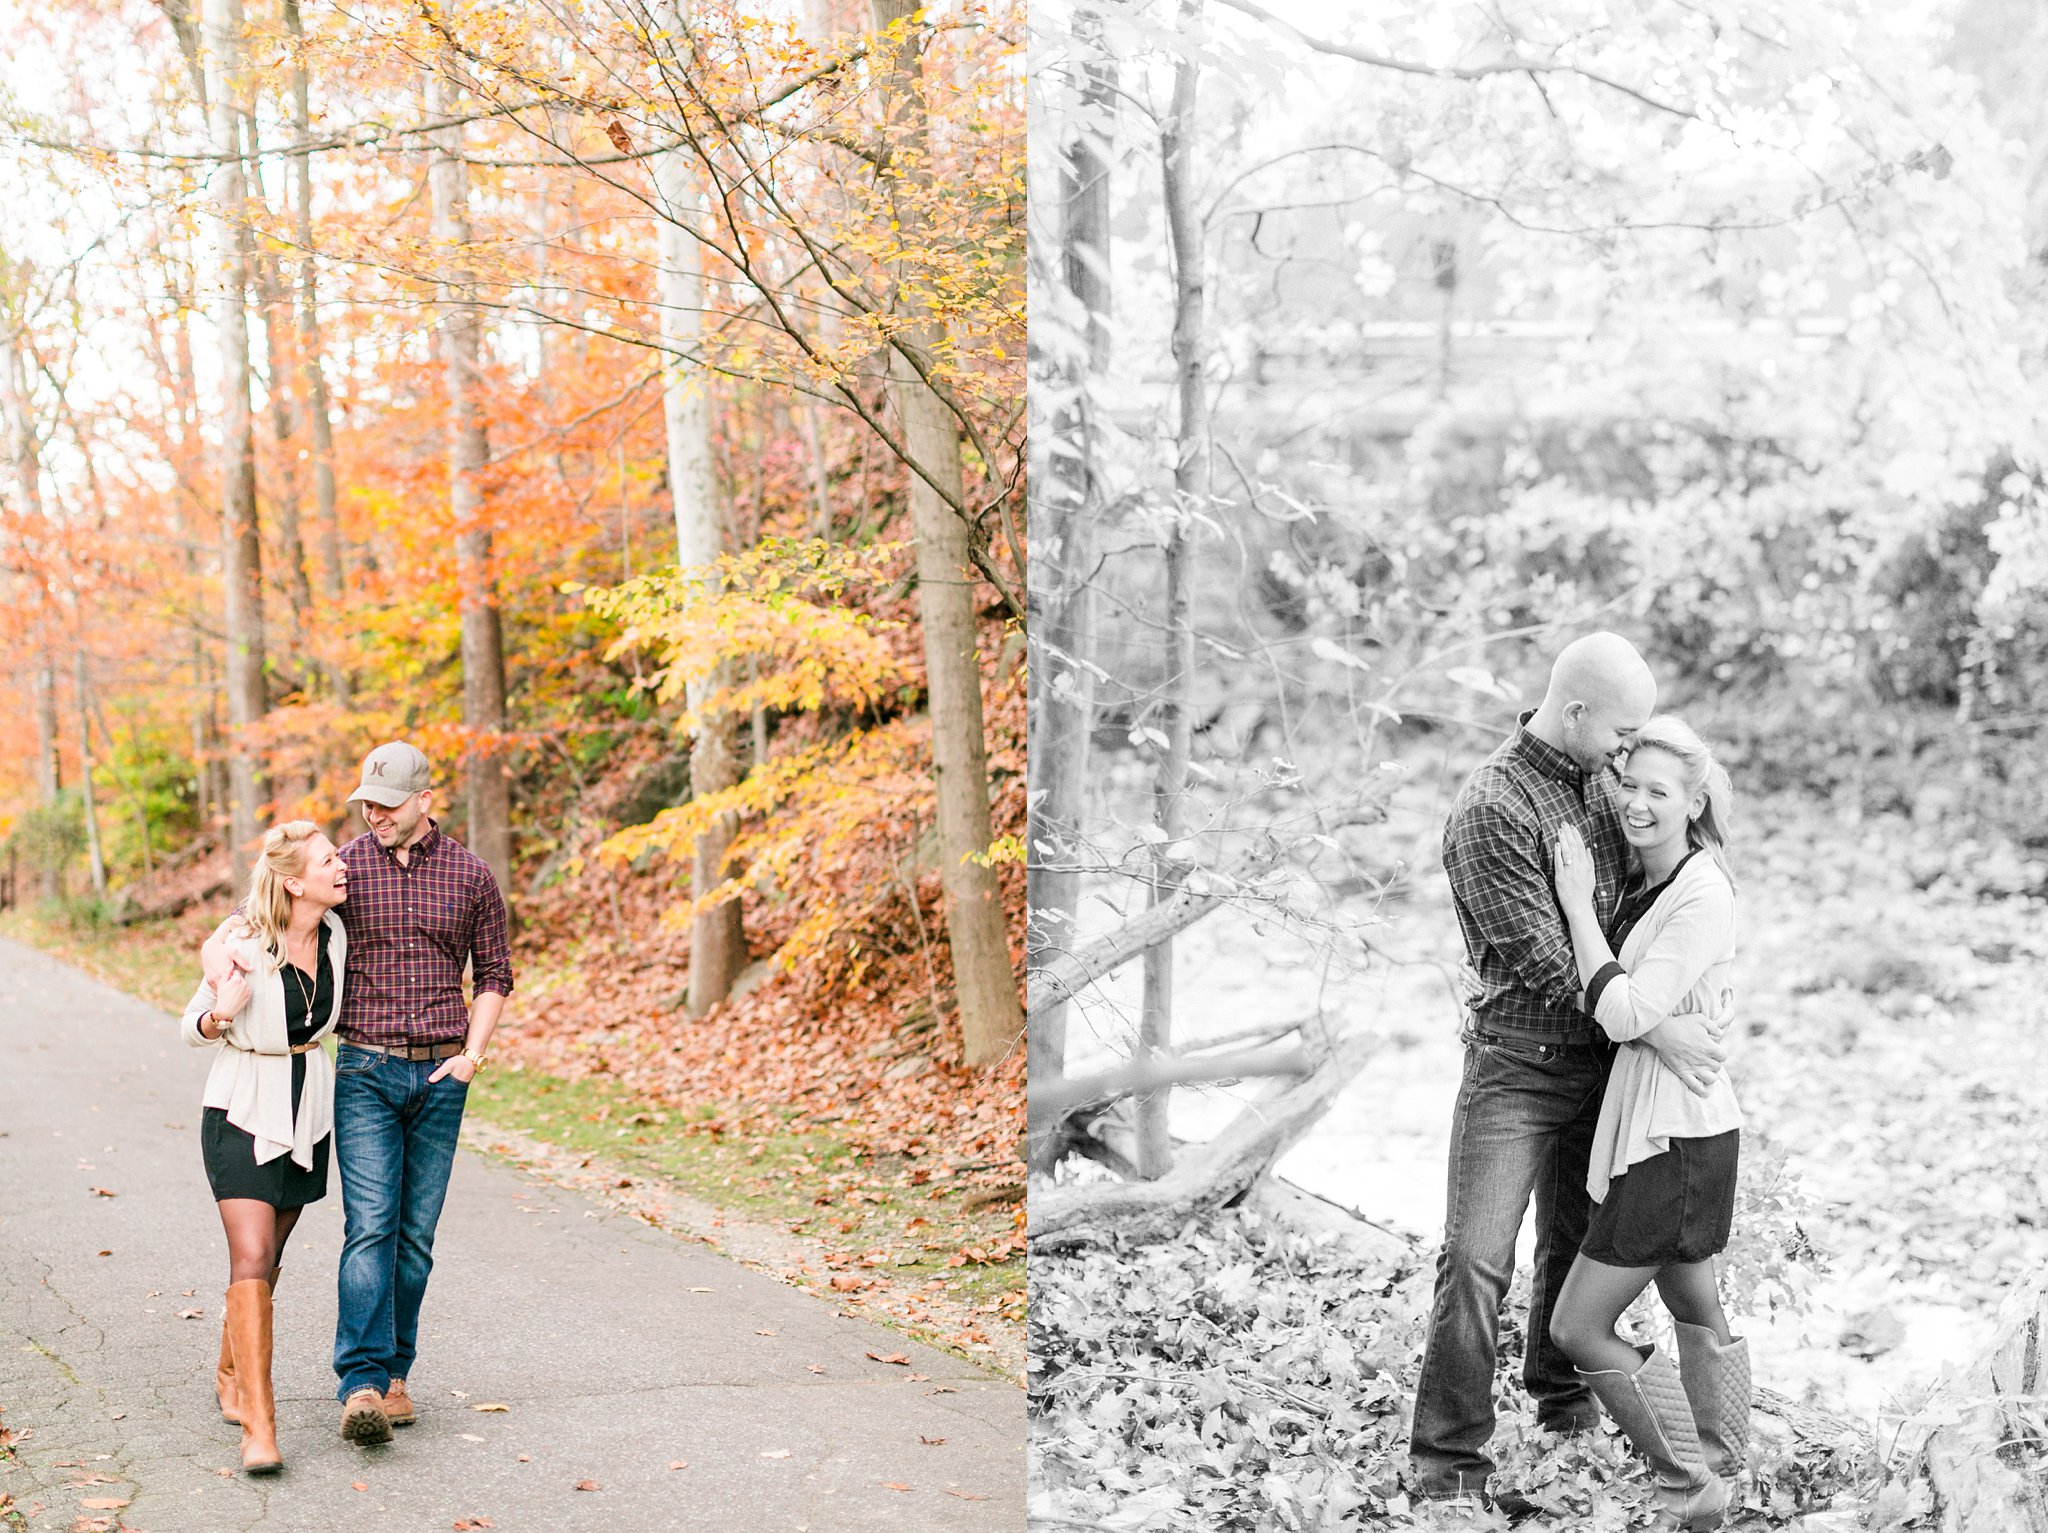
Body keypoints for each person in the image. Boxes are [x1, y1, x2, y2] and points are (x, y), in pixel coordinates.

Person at [1407, 632, 1728, 1513]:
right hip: (1518, 1065)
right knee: (1476, 1255)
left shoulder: (1604, 777)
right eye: (1621, 735)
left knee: (1577, 1241)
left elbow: (1648, 897)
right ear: (1577, 711)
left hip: (1610, 1062)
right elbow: (1553, 961)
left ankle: (1562, 1398)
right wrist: (1663, 1032)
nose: (1629, 755)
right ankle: (1447, 1457)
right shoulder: (1491, 808)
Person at [204, 741, 512, 1446]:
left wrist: (472, 1055)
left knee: (416, 1236)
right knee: (370, 1224)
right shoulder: (344, 868)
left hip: (442, 1074)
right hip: (365, 1070)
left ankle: (396, 1373)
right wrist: (215, 962)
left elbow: (494, 972)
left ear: (425, 800)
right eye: (366, 802)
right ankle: (361, 1382)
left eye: (386, 803)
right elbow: (253, 919)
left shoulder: (471, 875)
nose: (372, 814)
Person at [1547, 717, 1746, 1532]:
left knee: (1577, 1325)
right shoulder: (1662, 879)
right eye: (1630, 784)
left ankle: (1690, 1480)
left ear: (1694, 802)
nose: (1635, 803)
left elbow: (1624, 1005)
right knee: (1695, 1303)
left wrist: (1571, 898)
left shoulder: (1703, 891)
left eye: (1658, 791)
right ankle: (1729, 1464)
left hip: (1673, 1140)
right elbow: (1643, 1013)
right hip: (1685, 1129)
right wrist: (1655, 1023)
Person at [181, 821, 350, 1474]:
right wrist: (220, 1010)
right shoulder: (242, 944)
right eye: (328, 859)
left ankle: (230, 1371)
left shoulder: (337, 933)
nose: (341, 866)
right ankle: (259, 1425)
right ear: (292, 880)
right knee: (250, 1252)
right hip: (242, 1107)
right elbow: (190, 1028)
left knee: (270, 1255)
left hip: (307, 1110)